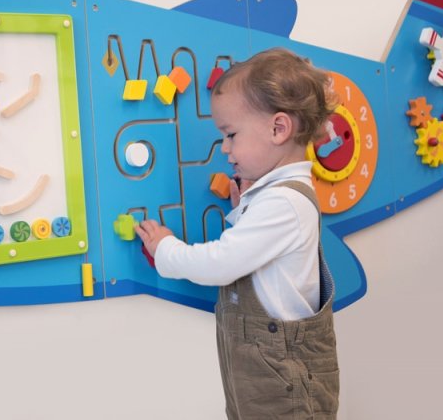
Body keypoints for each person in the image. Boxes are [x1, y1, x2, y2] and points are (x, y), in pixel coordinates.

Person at [134, 48, 340, 419]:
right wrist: (244, 209)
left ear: (278, 129)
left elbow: (222, 263)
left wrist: (166, 249)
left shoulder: (283, 202)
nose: (225, 148)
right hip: (258, 379)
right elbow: (259, 257)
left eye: (230, 135)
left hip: (284, 386)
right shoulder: (274, 197)